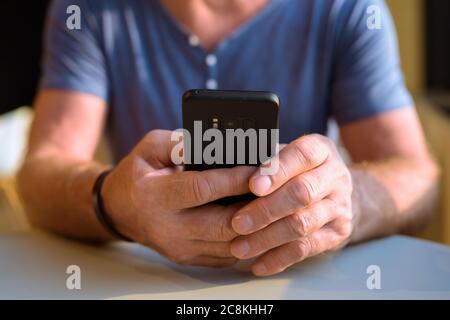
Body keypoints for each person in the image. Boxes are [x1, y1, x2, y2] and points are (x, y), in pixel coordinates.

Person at [18, 0, 439, 276]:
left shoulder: (347, 9)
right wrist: (116, 201)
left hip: (296, 282)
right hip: (149, 280)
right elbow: (39, 176)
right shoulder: (89, 9)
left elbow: (417, 176)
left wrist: (352, 201)